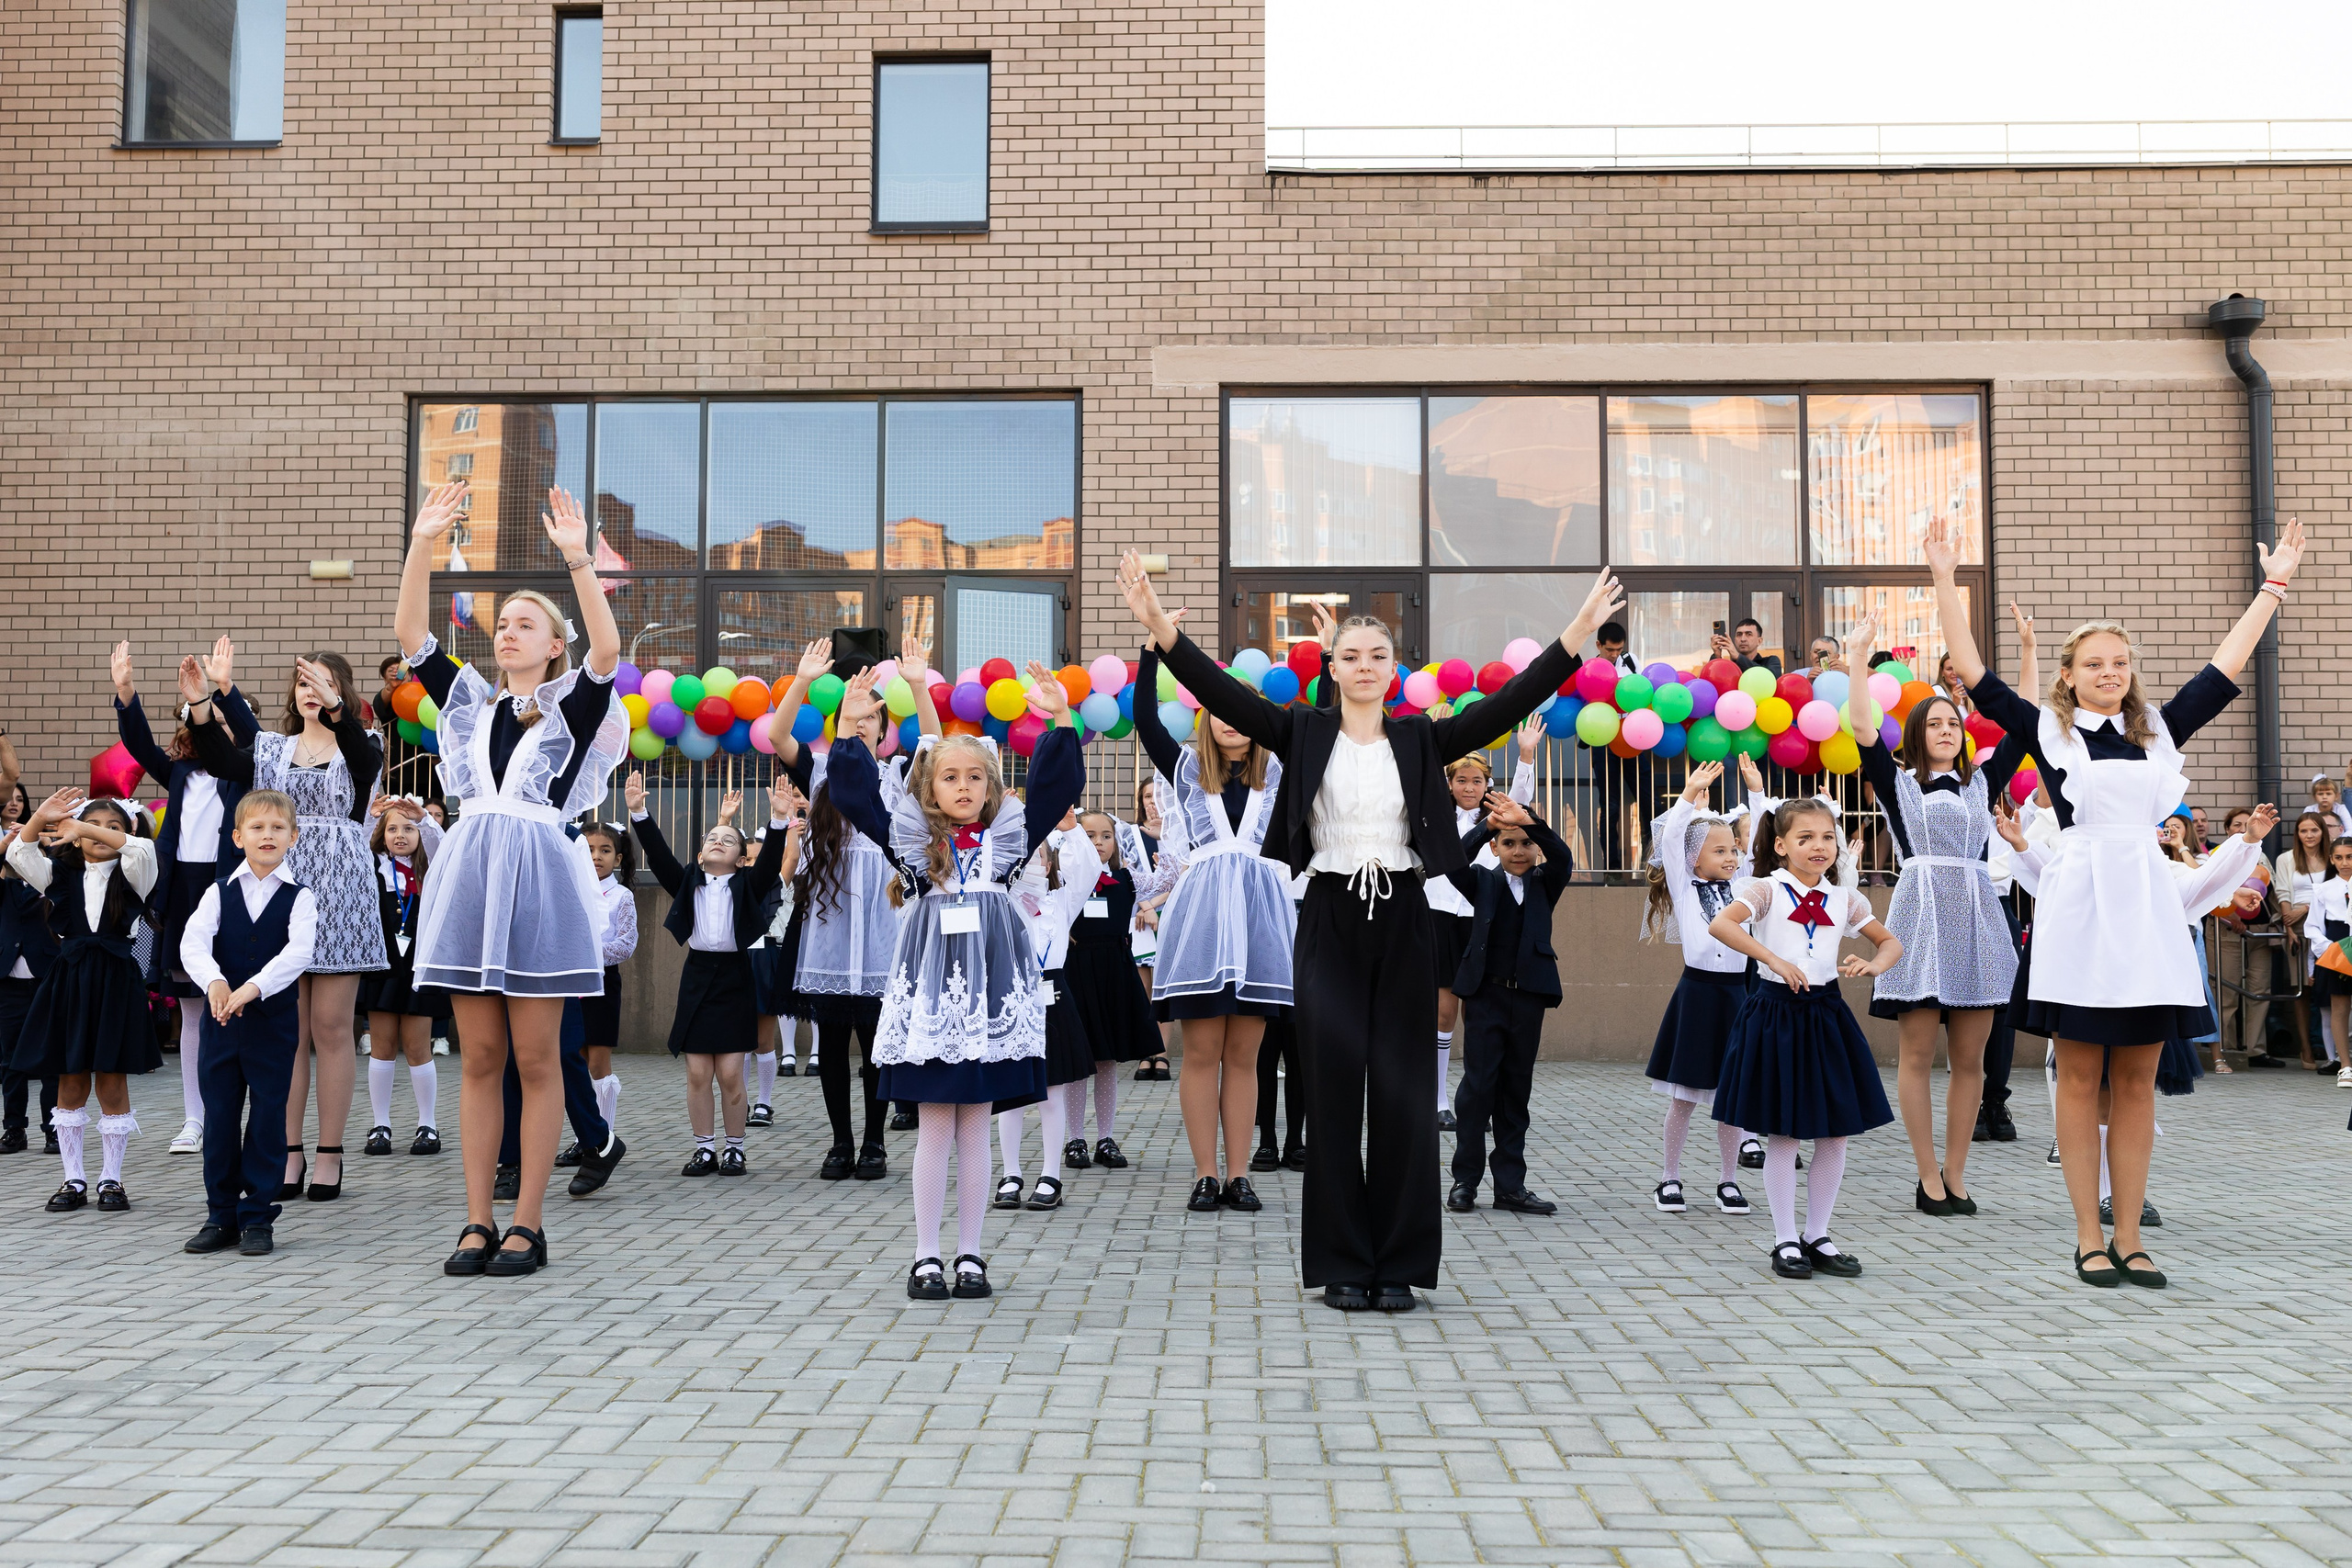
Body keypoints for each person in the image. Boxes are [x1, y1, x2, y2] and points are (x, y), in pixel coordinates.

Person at [1121, 549, 1609, 1312]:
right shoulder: (1300, 729)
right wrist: (1157, 627)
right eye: (1351, 655)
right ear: (1334, 665)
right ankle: (1344, 1261)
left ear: (1393, 666)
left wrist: (1575, 633)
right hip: (1330, 914)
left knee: (1406, 1092)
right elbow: (1219, 693)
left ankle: (1402, 1263)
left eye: (1378, 655)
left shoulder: (1421, 737)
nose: (1365, 665)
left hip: (1406, 916)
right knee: (1338, 1089)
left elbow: (1508, 703)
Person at [1930, 511, 2302, 1288]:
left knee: (2135, 1079)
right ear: (2068, 673)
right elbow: (1971, 669)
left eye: (2121, 662)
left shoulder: (2160, 732)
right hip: (2079, 909)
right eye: (2095, 662)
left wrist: (2272, 587)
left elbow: (2223, 670)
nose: (2110, 671)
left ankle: (2131, 1234)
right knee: (2078, 1075)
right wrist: (1942, 575)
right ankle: (2087, 1233)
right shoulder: (2045, 731)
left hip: (2145, 908)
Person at [396, 480, 630, 1278]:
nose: (508, 632)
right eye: (502, 624)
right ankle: (475, 1220)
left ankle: (529, 1220)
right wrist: (424, 539)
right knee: (479, 1057)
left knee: (537, 1059)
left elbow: (608, 653)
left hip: (539, 879)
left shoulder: (575, 705)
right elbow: (410, 633)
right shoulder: (469, 705)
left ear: (552, 644)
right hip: (470, 879)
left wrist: (576, 563)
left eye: (526, 623)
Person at [820, 662, 1082, 1303]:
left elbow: (1058, 784)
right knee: (937, 1125)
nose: (963, 786)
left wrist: (1062, 716)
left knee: (976, 1129)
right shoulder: (910, 839)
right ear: (930, 786)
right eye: (950, 776)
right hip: (935, 1001)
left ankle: (971, 1253)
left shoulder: (1011, 836)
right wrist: (853, 723)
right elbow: (851, 791)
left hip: (991, 999)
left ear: (990, 785)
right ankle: (926, 1255)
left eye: (974, 777)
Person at [1843, 610, 2026, 1219]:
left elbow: (2023, 730)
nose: (1947, 728)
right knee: (1918, 1055)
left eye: (1954, 721)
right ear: (1918, 734)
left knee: (1971, 1059)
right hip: (1921, 921)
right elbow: (1863, 727)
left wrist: (2025, 651)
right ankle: (1926, 1176)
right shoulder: (1897, 784)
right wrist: (1857, 661)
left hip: (1977, 920)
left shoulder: (1982, 782)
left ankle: (1957, 1172)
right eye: (1936, 722)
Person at [188, 648, 385, 1205]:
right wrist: (203, 702)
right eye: (302, 683)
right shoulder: (271, 747)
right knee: (287, 1031)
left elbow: (362, 763)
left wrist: (338, 711)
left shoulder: (361, 745)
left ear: (342, 692)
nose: (310, 692)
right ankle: (288, 1151)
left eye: (322, 683)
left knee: (332, 1026)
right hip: (284, 882)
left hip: (343, 887)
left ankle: (331, 1153)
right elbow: (223, 762)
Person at [1704, 797, 1902, 1280]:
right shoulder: (1767, 890)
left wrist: (1873, 964)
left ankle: (1818, 1234)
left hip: (1826, 1015)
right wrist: (1772, 960)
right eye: (1805, 838)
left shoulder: (1845, 898)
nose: (1819, 846)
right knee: (1786, 1131)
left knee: (1835, 1131)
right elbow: (1722, 924)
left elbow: (1891, 942)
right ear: (1781, 845)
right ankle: (1785, 1239)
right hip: (1776, 1015)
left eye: (1828, 837)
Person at [768, 635, 939, 1180]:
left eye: (871, 716)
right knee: (834, 1040)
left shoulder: (898, 778)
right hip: (831, 920)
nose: (862, 721)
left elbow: (934, 742)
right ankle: (840, 1142)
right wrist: (800, 681)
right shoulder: (820, 770)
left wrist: (916, 683)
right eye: (853, 712)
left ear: (885, 728)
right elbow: (777, 735)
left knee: (877, 1042)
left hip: (883, 925)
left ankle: (874, 1142)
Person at [1134, 638, 1295, 1215]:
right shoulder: (1181, 766)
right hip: (1201, 920)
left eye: (1242, 712)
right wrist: (1153, 650)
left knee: (1247, 1056)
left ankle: (1239, 1175)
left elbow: (1327, 725)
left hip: (1258, 921)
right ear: (1205, 716)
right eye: (1220, 711)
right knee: (1201, 1051)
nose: (1231, 723)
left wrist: (1328, 656)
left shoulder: (1280, 767)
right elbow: (1145, 716)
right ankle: (1205, 1174)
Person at [111, 637, 258, 1156]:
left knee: (237, 1004)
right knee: (193, 1010)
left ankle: (236, 1115)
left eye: (222, 722)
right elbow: (140, 746)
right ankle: (194, 1119)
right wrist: (127, 693)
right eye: (206, 721)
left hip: (228, 891)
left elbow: (253, 737)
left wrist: (223, 690)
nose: (213, 728)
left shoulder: (246, 772)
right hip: (182, 894)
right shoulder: (178, 772)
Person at [629, 774, 798, 1179]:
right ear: (702, 853)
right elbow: (659, 853)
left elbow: (772, 862)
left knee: (729, 1073)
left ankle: (735, 1149)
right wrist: (638, 812)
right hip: (698, 976)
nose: (717, 841)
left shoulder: (748, 884)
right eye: (711, 837)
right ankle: (705, 1149)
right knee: (698, 1072)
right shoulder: (688, 882)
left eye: (728, 838)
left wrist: (778, 819)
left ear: (742, 857)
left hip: (736, 977)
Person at [6, 789, 160, 1213]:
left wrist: (86, 827)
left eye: (114, 827)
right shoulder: (59, 874)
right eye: (93, 827)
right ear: (72, 838)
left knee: (112, 1079)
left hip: (115, 981)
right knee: (70, 1078)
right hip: (70, 980)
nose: (103, 835)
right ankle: (73, 1178)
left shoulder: (136, 870)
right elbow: (20, 853)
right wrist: (42, 818)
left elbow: (141, 846)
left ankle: (112, 1179)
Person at [178, 789, 317, 1257]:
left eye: (278, 828)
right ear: (238, 837)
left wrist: (254, 986)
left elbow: (299, 952)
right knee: (219, 1119)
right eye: (257, 827)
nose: (267, 835)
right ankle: (221, 1214)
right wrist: (215, 982)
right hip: (222, 1024)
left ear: (293, 837)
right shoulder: (218, 892)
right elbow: (193, 942)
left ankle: (258, 1215)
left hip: (272, 1027)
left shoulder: (301, 898)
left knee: (266, 1120)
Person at [1440, 791, 1574, 1217]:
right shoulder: (1482, 880)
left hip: (1529, 997)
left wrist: (1529, 822)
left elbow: (1561, 854)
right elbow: (1451, 859)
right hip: (1485, 997)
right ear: (1496, 848)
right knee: (1477, 1090)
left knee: (1516, 1090)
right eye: (1509, 843)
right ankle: (1465, 1181)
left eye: (1525, 843)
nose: (1519, 851)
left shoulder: (1545, 882)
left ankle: (1511, 1186)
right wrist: (1488, 827)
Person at [1638, 761, 1756, 1215]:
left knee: (1731, 1100)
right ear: (1694, 859)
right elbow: (1670, 839)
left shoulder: (1743, 887)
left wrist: (1758, 793)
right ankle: (1669, 1177)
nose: (1731, 857)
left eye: (1733, 849)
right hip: (1698, 997)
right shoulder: (1685, 888)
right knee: (1685, 1098)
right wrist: (1688, 797)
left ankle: (1728, 1180)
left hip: (1737, 998)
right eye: (1720, 850)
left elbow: (1762, 843)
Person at [1423, 724, 1542, 1131]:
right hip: (1438, 915)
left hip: (1480, 921)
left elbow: (1521, 801)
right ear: (1449, 783)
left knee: (1480, 1013)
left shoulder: (1497, 820)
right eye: (1461, 780)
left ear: (1487, 784)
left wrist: (1525, 755)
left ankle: (1478, 1100)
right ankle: (1437, 1099)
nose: (1469, 787)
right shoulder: (1435, 814)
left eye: (1477, 780)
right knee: (1442, 1012)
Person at [992, 828, 1103, 1213]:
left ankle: (1051, 1175)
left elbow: (1089, 867)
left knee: (1052, 1092)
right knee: (1009, 1094)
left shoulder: (1062, 899)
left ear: (1049, 861)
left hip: (1052, 996)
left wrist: (1071, 830)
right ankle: (1010, 1173)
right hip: (1011, 995)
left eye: (1037, 853)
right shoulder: (1001, 900)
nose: (1030, 862)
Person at [1061, 810, 1166, 1169]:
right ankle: (1074, 1138)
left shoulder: (1126, 879)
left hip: (1115, 971)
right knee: (1078, 1061)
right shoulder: (1066, 880)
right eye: (1089, 835)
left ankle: (1105, 1137)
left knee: (1107, 1062)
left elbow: (1171, 878)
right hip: (1077, 971)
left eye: (1106, 836)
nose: (1099, 843)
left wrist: (1163, 840)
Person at [359, 796, 446, 1157]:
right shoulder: (375, 865)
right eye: (392, 828)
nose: (400, 835)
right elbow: (357, 839)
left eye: (408, 829)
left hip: (418, 967)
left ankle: (428, 1125)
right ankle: (381, 1125)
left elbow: (440, 841)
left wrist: (423, 817)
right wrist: (369, 813)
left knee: (417, 1046)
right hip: (382, 965)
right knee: (381, 1047)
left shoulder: (432, 869)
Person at [0, 807, 61, 1157]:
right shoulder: (5, 888)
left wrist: (41, 840)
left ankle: (52, 1129)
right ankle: (13, 1128)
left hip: (45, 978)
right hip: (8, 982)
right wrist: (7, 841)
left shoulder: (51, 880)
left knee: (50, 1057)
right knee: (11, 1060)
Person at [573, 820, 639, 1145]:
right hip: (569, 984)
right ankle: (584, 1135)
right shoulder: (568, 888)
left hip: (601, 983)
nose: (596, 856)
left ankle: (603, 1138)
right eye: (587, 850)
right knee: (574, 1061)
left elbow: (626, 944)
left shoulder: (621, 896)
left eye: (604, 850)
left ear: (618, 857)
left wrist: (585, 951)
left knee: (598, 1062)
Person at [2271, 809, 2331, 1070]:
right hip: (2296, 928)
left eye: (2314, 830)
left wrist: (2306, 908)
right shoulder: (2286, 859)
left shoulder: (2332, 857)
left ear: (2322, 832)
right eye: (2304, 831)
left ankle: (2335, 1050)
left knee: (2328, 989)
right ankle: (2306, 1048)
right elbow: (2282, 891)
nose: (2309, 835)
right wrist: (2289, 926)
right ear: (2297, 834)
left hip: (2327, 928)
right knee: (2301, 991)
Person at [2301, 836, 2352, 1089]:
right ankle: (2345, 1065)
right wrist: (2331, 949)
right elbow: (2312, 927)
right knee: (2339, 1008)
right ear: (2332, 859)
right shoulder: (2323, 889)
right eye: (2339, 857)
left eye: (2350, 857)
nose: (2345, 863)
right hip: (2336, 947)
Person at [1711, 617, 1781, 676]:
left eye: (1749, 634)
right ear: (1734, 640)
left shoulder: (1771, 661)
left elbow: (1769, 678)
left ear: (1759, 641)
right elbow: (1712, 681)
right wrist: (1716, 657)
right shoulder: (1729, 667)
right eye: (1739, 634)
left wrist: (1738, 657)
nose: (1743, 639)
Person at [2311, 774, 2352, 840]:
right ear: (2314, 796)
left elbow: (2350, 830)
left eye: (2328, 794)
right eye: (2320, 794)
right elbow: (2307, 829)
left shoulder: (2341, 809)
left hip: (2339, 842)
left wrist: (2337, 841)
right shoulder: (2310, 810)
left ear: (2336, 796)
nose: (2324, 797)